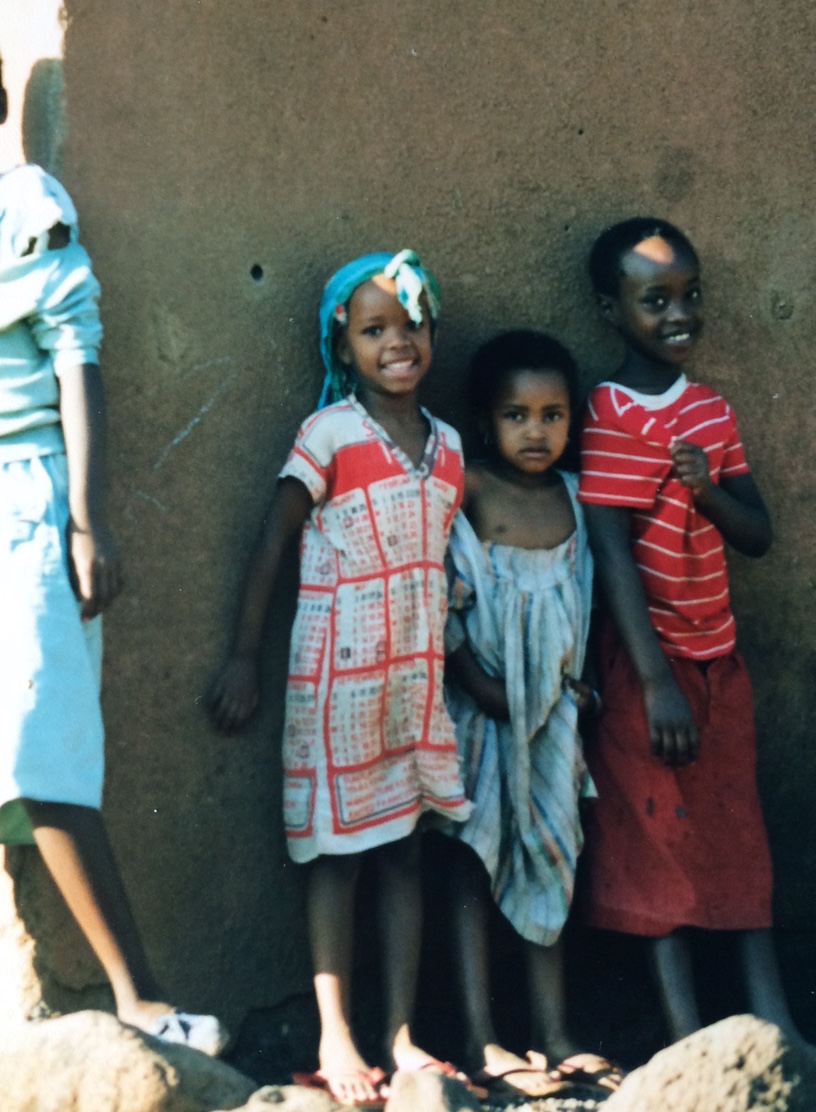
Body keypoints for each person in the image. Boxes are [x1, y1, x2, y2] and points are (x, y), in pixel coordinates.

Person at [0, 26, 225, 1112]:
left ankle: (142, 999)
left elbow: (77, 361)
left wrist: (86, 519)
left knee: (39, 748)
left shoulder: (26, 206)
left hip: (24, 499)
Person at [207, 251, 473, 1107]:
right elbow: (274, 539)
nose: (398, 342)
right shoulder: (329, 434)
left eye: (413, 324)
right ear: (343, 344)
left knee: (404, 852)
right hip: (339, 682)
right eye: (374, 329)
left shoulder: (451, 448)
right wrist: (243, 655)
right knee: (337, 856)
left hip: (412, 686)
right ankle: (336, 1033)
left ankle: (400, 1034)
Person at [577, 216, 809, 1050]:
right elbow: (610, 552)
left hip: (719, 663)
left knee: (738, 834)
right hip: (653, 668)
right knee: (658, 846)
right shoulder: (607, 414)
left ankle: (773, 1025)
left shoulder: (711, 410)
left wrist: (706, 490)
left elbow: (758, 534)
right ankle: (685, 1041)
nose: (679, 314)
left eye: (690, 294)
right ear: (612, 310)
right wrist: (653, 682)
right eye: (655, 300)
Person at [440, 330, 621, 1098]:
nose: (536, 431)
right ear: (487, 422)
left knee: (551, 860)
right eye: (517, 415)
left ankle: (553, 1031)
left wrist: (582, 687)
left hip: (550, 724)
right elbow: (440, 593)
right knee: (473, 862)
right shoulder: (472, 490)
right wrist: (473, 680)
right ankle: (481, 1035)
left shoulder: (577, 499)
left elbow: (588, 603)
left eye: (553, 415)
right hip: (480, 715)